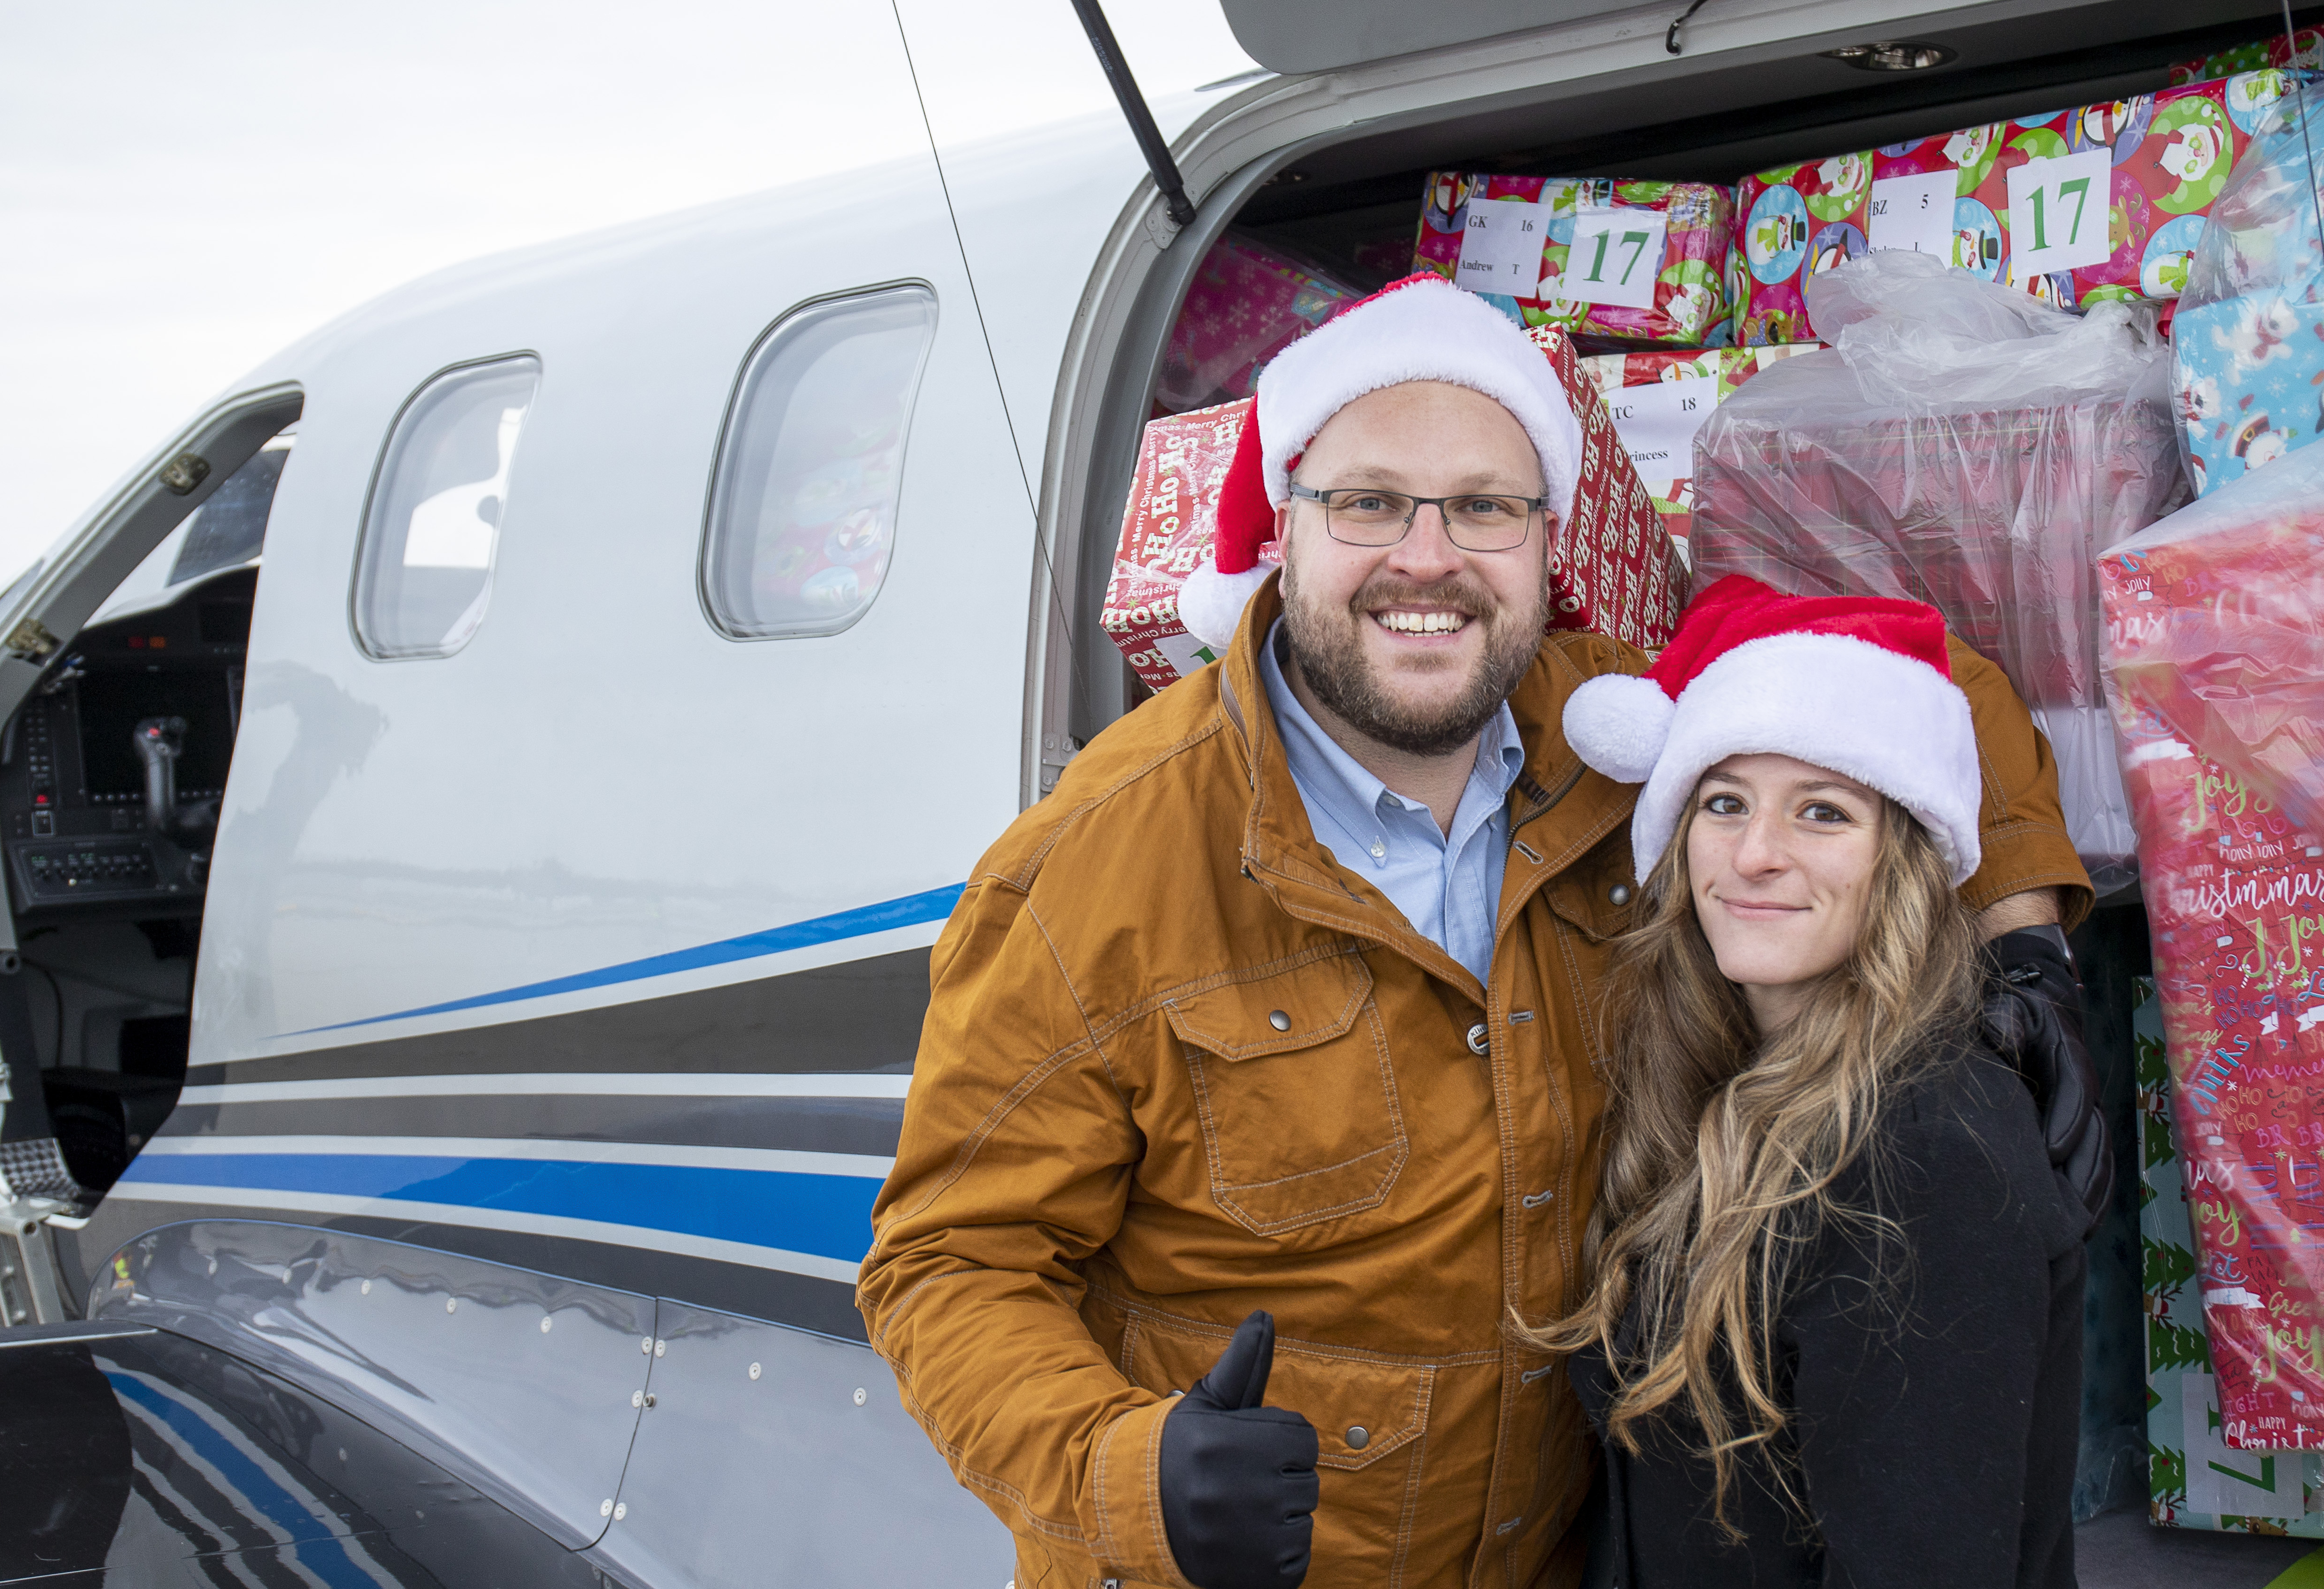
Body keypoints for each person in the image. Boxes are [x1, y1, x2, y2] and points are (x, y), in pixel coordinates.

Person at [855, 274, 2096, 1589]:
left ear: (1547, 543)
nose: (1429, 557)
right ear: (1285, 529)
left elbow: (1921, 678)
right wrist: (1121, 1466)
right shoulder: (1095, 868)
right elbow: (946, 1266)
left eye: (1486, 508)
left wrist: (2025, 949)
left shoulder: (1614, 734)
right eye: (1371, 501)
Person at [1546, 579, 2086, 1588]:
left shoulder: (1929, 1147)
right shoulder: (1713, 1090)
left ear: (1903, 862)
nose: (1756, 853)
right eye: (1724, 802)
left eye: (1823, 812)